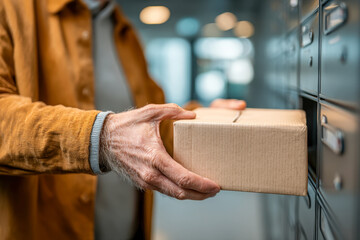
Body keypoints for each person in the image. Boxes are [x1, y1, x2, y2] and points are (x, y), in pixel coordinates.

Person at [0, 0, 246, 239]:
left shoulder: (125, 34)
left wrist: (204, 119)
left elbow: (153, 126)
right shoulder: (10, 9)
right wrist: (103, 136)